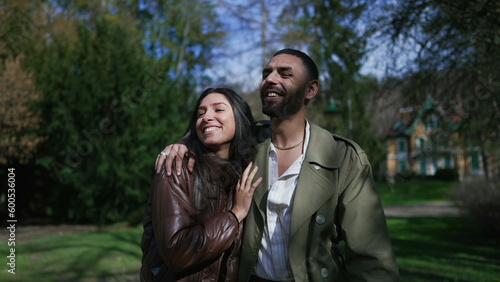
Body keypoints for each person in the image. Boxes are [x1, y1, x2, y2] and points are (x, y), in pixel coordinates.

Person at [156, 49, 400, 281]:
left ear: (311, 89)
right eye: (266, 74)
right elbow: (211, 138)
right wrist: (183, 145)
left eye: (285, 74)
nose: (270, 79)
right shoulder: (244, 148)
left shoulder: (343, 158)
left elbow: (371, 258)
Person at [141, 87, 263, 281]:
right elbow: (177, 252)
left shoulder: (246, 169)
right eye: (200, 113)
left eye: (218, 109)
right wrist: (235, 214)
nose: (206, 117)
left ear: (240, 118)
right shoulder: (176, 168)